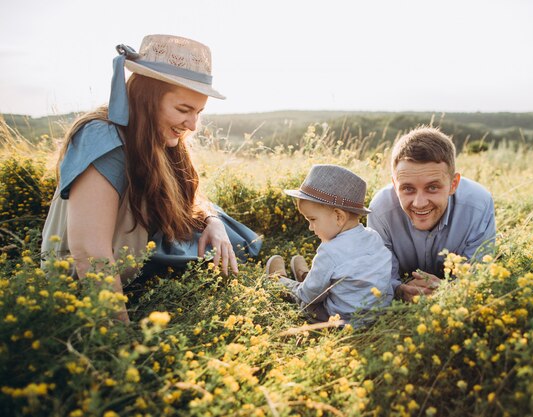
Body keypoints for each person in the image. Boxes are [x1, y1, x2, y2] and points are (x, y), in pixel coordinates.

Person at [41, 34, 261, 322]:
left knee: (222, 228)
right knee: (204, 249)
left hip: (138, 250)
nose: (192, 125)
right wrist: (118, 342)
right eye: (183, 110)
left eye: (198, 112)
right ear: (147, 98)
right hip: (86, 280)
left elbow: (188, 198)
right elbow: (89, 254)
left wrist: (213, 222)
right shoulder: (103, 139)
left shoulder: (158, 136)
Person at [367, 126, 496, 302]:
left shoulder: (478, 205)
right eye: (407, 188)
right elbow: (380, 278)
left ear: (453, 184)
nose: (419, 203)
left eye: (432, 187)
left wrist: (447, 290)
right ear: (394, 184)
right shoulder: (380, 210)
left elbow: (478, 277)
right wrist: (399, 291)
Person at [266, 164, 393, 324]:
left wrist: (301, 290)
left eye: (312, 219)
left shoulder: (330, 251)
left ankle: (280, 281)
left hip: (338, 320)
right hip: (375, 317)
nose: (310, 227)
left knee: (305, 301)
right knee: (339, 281)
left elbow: (308, 296)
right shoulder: (374, 237)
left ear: (339, 216)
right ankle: (309, 276)